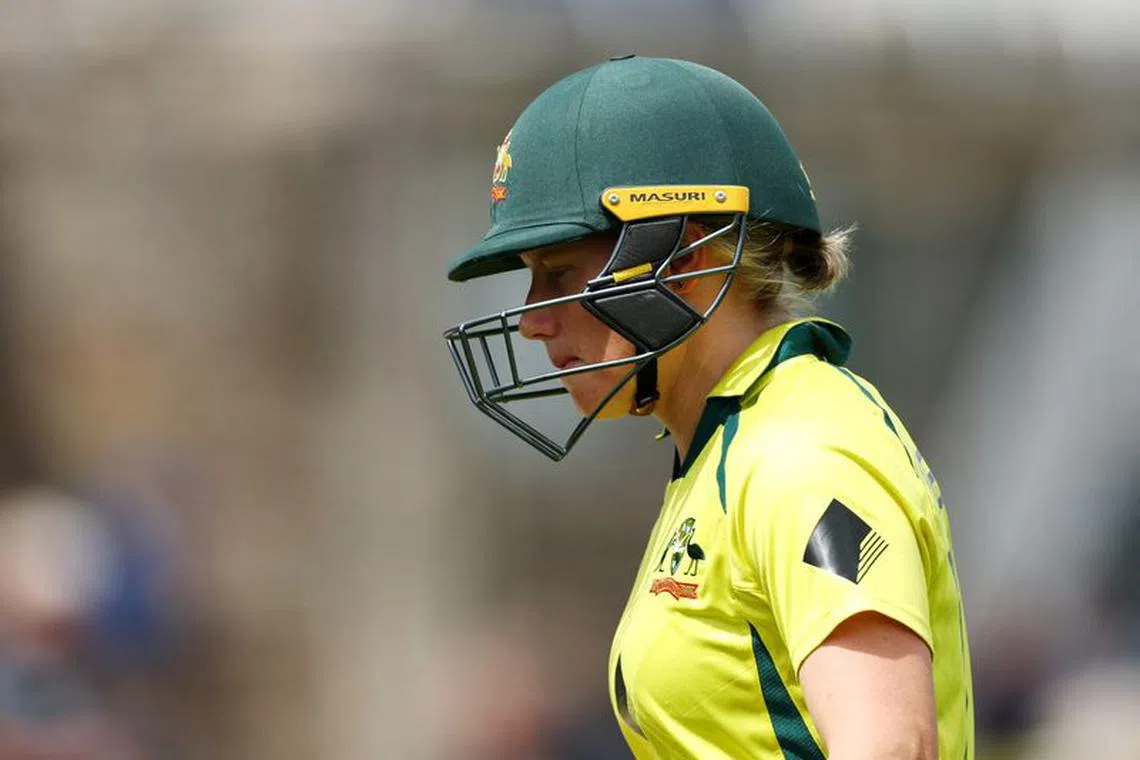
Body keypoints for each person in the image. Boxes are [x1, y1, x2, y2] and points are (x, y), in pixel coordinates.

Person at [444, 55, 973, 759]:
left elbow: (891, 746)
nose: (532, 320)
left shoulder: (798, 451)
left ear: (685, 261)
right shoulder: (730, 442)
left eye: (559, 274)